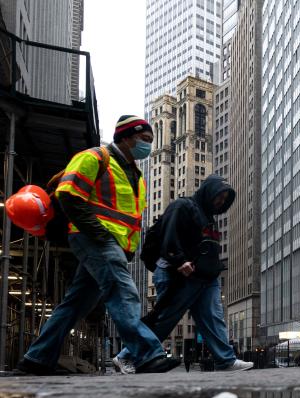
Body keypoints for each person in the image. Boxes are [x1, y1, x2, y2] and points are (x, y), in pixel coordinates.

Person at [17, 116, 180, 376]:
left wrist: (124, 247)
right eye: (144, 139)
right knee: (122, 290)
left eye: (151, 140)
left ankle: (36, 359)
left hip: (111, 243)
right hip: (94, 238)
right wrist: (100, 234)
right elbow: (68, 194)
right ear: (126, 137)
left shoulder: (135, 175)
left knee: (75, 304)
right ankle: (147, 354)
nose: (148, 145)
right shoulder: (94, 157)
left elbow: (128, 217)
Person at [112, 175, 253, 373]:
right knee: (165, 320)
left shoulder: (209, 218)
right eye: (218, 196)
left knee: (213, 318)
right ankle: (124, 356)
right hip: (179, 275)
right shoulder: (182, 206)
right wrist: (180, 261)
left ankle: (226, 360)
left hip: (206, 278)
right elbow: (170, 235)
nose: (221, 202)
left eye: (224, 199)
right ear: (208, 191)